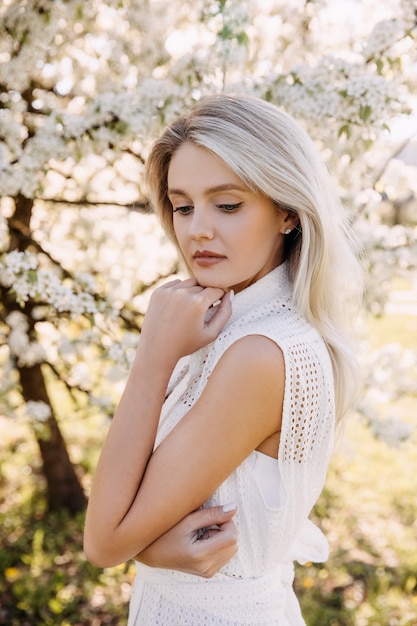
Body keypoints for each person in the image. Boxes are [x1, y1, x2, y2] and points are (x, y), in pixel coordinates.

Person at [84, 93, 362, 625]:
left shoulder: (261, 354)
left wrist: (152, 356)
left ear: (287, 211)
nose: (197, 230)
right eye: (183, 206)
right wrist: (149, 547)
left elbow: (103, 542)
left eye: (227, 205)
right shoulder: (234, 324)